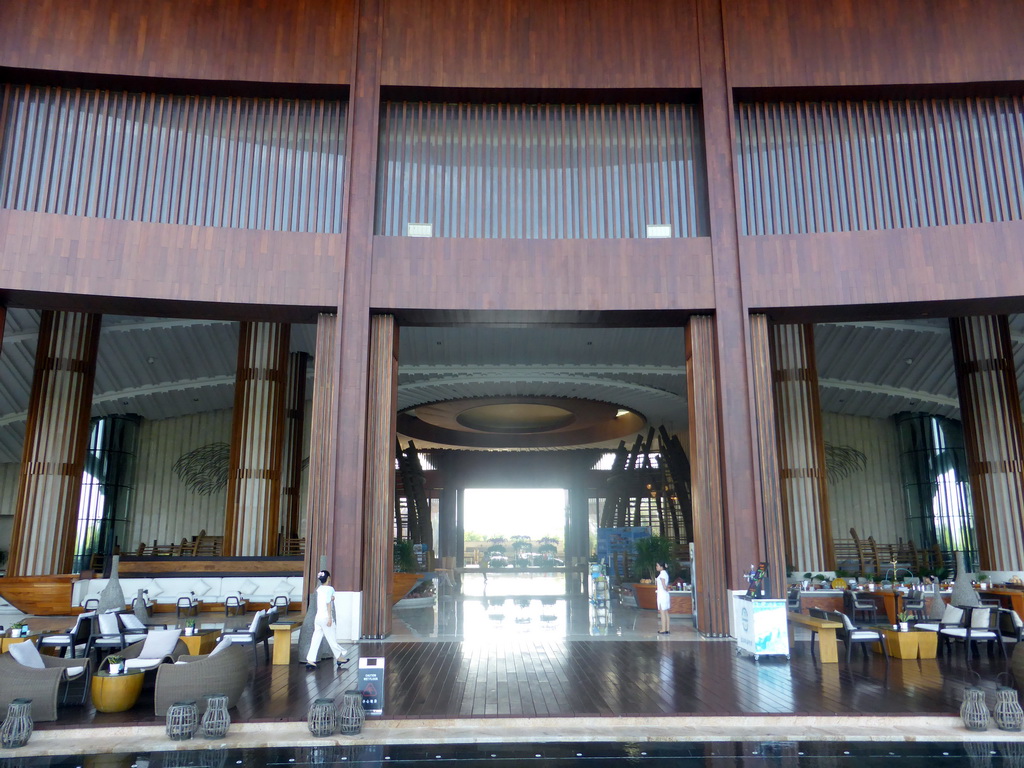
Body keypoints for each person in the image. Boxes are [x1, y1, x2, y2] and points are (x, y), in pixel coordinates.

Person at [305, 569, 348, 671]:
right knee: (331, 639)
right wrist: (329, 617)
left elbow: (324, 599)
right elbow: (328, 603)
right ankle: (340, 656)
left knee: (316, 639)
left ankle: (310, 659)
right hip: (325, 617)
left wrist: (331, 598)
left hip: (318, 618)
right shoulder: (330, 589)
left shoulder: (319, 589)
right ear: (328, 578)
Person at [655, 560, 671, 635]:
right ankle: (667, 629)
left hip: (662, 595)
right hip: (665, 595)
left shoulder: (662, 575)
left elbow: (664, 586)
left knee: (662, 612)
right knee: (666, 612)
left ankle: (663, 629)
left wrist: (667, 589)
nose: (656, 567)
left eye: (657, 566)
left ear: (661, 567)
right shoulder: (665, 574)